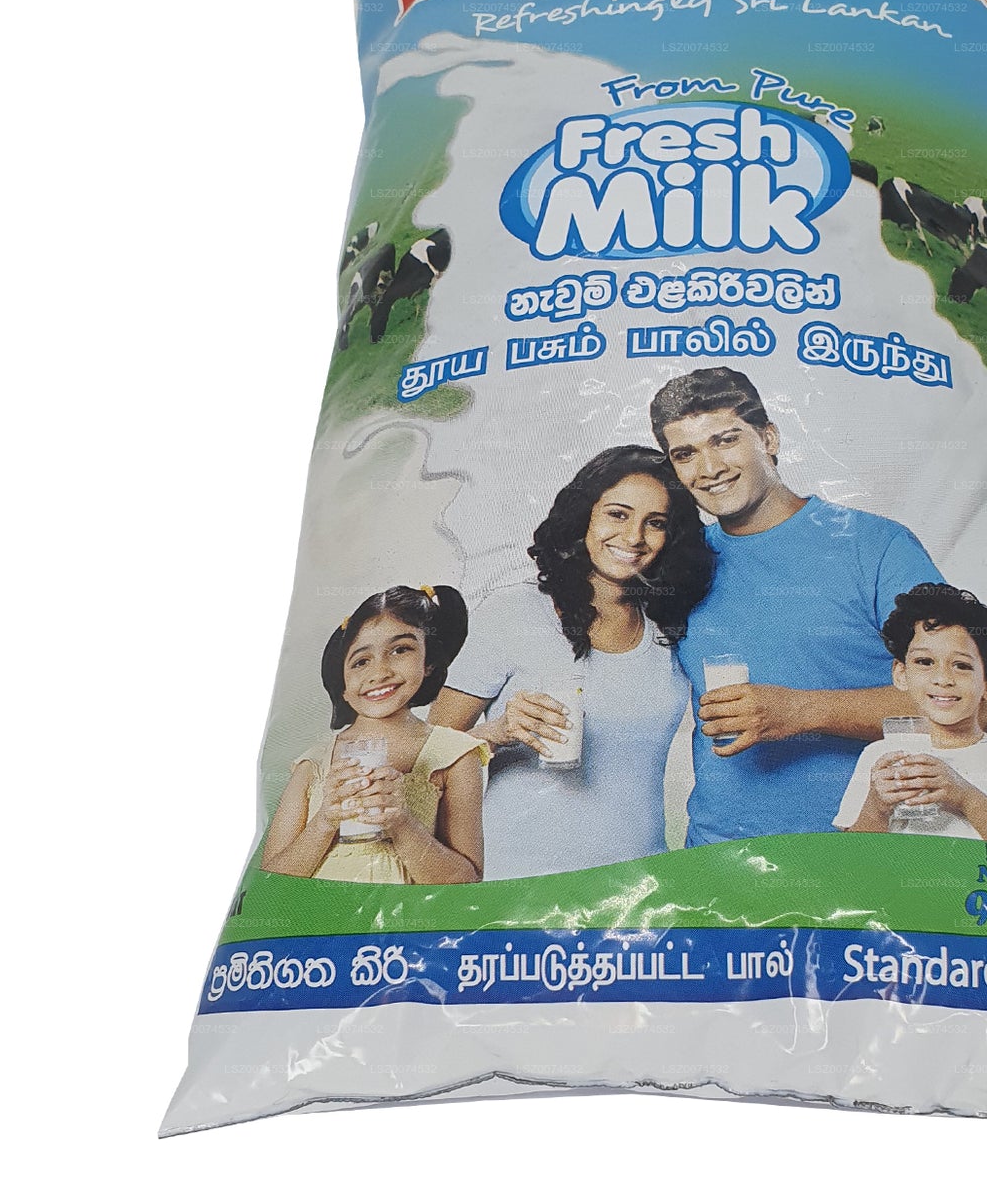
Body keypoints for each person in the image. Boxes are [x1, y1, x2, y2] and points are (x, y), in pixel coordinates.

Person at [650, 366, 945, 844]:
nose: (709, 468)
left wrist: (801, 710)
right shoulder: (678, 564)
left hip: (867, 851)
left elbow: (971, 708)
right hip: (719, 858)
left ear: (768, 438)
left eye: (726, 440)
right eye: (686, 454)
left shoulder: (875, 546)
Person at [433, 444, 713, 878]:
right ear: (585, 515)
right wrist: (497, 732)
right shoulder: (515, 611)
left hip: (638, 885)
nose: (634, 537)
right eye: (617, 514)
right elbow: (426, 757)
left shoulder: (668, 627)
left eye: (655, 523)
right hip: (518, 884)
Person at [260, 585, 487, 884]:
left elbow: (467, 881)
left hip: (406, 915)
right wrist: (325, 821)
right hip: (321, 913)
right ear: (342, 683)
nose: (379, 673)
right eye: (361, 661)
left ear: (429, 662)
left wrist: (401, 823)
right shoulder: (313, 763)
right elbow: (272, 882)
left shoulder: (454, 754)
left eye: (400, 650)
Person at [834, 583, 987, 846]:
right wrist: (876, 807)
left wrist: (964, 796)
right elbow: (852, 857)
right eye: (925, 662)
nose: (943, 679)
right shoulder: (879, 758)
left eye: (961, 665)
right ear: (901, 674)